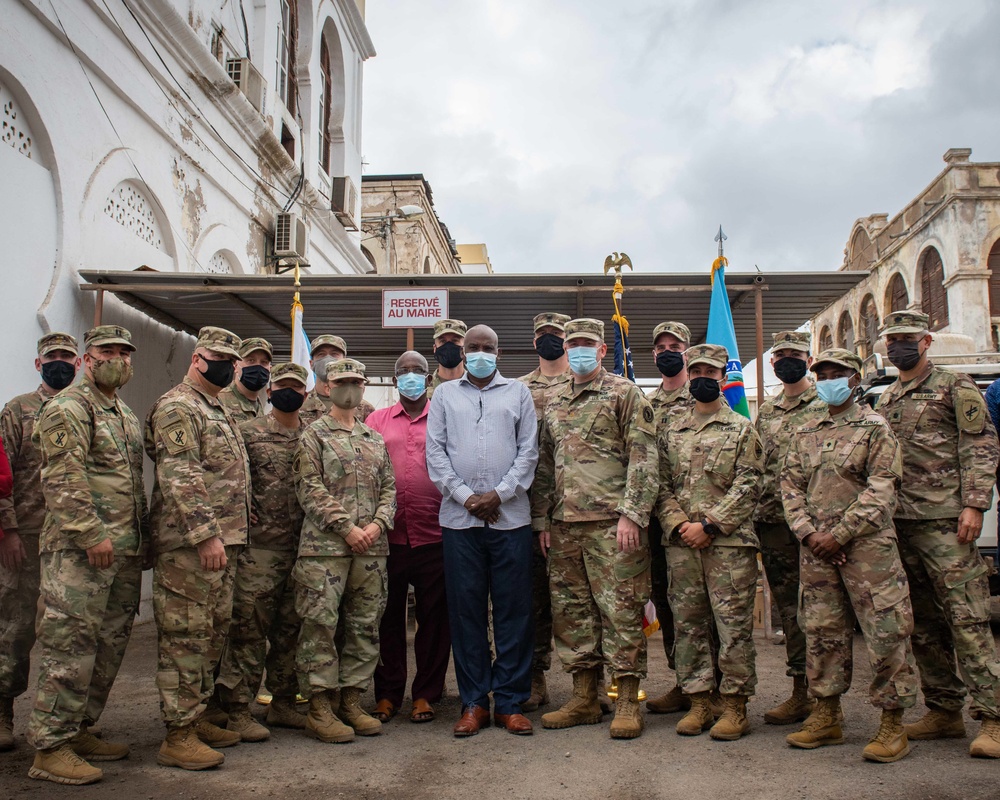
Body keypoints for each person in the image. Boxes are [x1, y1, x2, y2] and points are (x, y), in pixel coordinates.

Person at [781, 347, 918, 762]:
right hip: (817, 551)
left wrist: (839, 535)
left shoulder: (875, 428)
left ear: (855, 379)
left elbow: (882, 489)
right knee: (822, 631)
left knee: (886, 632)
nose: (827, 380)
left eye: (836, 372)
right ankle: (826, 716)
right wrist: (809, 534)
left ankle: (892, 724)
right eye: (821, 373)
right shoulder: (804, 431)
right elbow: (788, 488)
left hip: (868, 550)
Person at [25, 325, 146, 785]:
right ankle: (50, 746)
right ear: (86, 360)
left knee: (108, 645)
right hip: (80, 553)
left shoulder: (124, 415)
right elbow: (62, 477)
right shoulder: (68, 408)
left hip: (122, 552)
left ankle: (78, 729)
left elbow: (131, 487)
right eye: (106, 351)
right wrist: (91, 534)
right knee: (70, 646)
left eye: (123, 352)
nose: (117, 358)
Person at [876, 310, 1000, 759]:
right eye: (891, 341)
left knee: (967, 620)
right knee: (923, 624)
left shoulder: (955, 386)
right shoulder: (887, 397)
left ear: (926, 341)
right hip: (900, 523)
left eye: (906, 338)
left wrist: (974, 503)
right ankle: (944, 709)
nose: (897, 347)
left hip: (948, 522)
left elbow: (980, 445)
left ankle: (993, 716)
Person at [533, 318, 657, 740]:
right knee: (572, 614)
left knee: (621, 612)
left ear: (603, 350)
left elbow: (644, 457)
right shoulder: (555, 399)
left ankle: (627, 700)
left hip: (613, 525)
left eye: (588, 343)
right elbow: (545, 464)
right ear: (565, 349)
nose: (580, 349)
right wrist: (543, 519)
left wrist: (632, 514)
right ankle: (584, 697)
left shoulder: (624, 393)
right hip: (564, 525)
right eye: (574, 344)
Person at [146, 326, 251, 770]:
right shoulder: (178, 406)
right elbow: (180, 475)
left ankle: (199, 714)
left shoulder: (216, 408)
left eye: (233, 358)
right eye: (219, 357)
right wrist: (205, 534)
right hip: (191, 547)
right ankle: (178, 734)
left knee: (211, 634)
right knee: (186, 636)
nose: (228, 365)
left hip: (222, 544)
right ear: (197, 358)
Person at [426, 325, 538, 737]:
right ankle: (474, 702)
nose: (478, 354)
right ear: (461, 350)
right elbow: (434, 452)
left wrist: (499, 494)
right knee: (466, 611)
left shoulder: (518, 393)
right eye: (471, 348)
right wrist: (465, 497)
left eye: (486, 348)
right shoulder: (444, 395)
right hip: (459, 521)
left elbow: (529, 450)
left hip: (510, 519)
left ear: (499, 352)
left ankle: (509, 701)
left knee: (513, 611)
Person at [657, 343, 763, 741]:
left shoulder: (740, 428)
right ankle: (700, 700)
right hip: (682, 544)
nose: (703, 378)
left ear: (724, 378)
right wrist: (680, 524)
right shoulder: (672, 428)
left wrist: (711, 525)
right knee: (688, 626)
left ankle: (735, 706)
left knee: (733, 629)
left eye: (711, 373)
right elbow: (660, 484)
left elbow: (750, 483)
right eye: (696, 372)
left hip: (729, 547)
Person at [293, 358, 396, 743]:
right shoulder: (314, 435)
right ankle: (320, 707)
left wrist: (375, 525)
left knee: (364, 626)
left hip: (371, 551)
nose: (349, 388)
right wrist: (347, 528)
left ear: (364, 387)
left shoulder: (373, 439)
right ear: (327, 387)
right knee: (319, 626)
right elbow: (309, 487)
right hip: (325, 550)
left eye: (356, 381)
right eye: (341, 382)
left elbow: (390, 488)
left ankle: (352, 701)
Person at [217, 363, 311, 742]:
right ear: (270, 392)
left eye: (296, 387)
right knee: (248, 629)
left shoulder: (315, 435)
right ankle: (238, 709)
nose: (289, 391)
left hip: (304, 547)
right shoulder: (248, 433)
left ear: (305, 395)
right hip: (260, 548)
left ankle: (284, 702)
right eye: (282, 385)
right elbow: (228, 479)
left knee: (291, 629)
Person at [0, 332, 80, 752]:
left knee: (67, 634)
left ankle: (63, 723)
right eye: (53, 356)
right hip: (28, 537)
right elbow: (1, 475)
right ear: (39, 363)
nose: (61, 363)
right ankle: (2, 712)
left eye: (68, 356)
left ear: (79, 362)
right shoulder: (18, 410)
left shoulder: (88, 410)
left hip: (72, 540)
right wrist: (8, 531)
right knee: (14, 628)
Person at [645, 320, 724, 717]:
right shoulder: (646, 402)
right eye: (661, 347)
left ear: (689, 353)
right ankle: (685, 680)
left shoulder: (701, 399)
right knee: (672, 603)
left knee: (709, 609)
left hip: (704, 523)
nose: (668, 351)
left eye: (675, 344)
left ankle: (718, 687)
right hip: (661, 523)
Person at [367, 351, 450, 725]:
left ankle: (426, 694)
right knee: (387, 619)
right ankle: (387, 695)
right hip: (388, 536)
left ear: (429, 376)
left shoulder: (444, 417)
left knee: (434, 620)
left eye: (418, 371)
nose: (411, 377)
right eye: (404, 372)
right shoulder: (375, 420)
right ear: (394, 378)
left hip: (436, 534)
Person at [753, 330, 826, 725]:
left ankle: (825, 697)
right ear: (771, 364)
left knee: (822, 612)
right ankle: (801, 690)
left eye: (794, 354)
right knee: (789, 611)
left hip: (818, 527)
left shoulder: (826, 403)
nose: (786, 361)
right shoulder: (767, 412)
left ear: (809, 359)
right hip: (774, 523)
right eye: (780, 355)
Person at [517, 312, 572, 712]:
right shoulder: (518, 389)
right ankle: (535, 677)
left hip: (581, 510)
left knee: (581, 603)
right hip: (530, 512)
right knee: (533, 601)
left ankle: (590, 681)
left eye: (556, 334)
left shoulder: (588, 384)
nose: (549, 340)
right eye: (542, 334)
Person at [300, 335, 375, 424]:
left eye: (334, 354)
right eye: (321, 354)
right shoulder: (299, 405)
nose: (327, 359)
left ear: (344, 361)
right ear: (311, 364)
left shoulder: (365, 409)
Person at [218, 337, 272, 425]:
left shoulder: (259, 407)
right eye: (251, 360)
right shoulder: (220, 402)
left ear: (270, 369)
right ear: (235, 365)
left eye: (264, 362)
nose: (258, 367)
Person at [426, 319, 467, 399]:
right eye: (443, 341)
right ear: (435, 348)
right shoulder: (424, 393)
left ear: (465, 348)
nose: (448, 346)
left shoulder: (476, 388)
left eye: (455, 341)